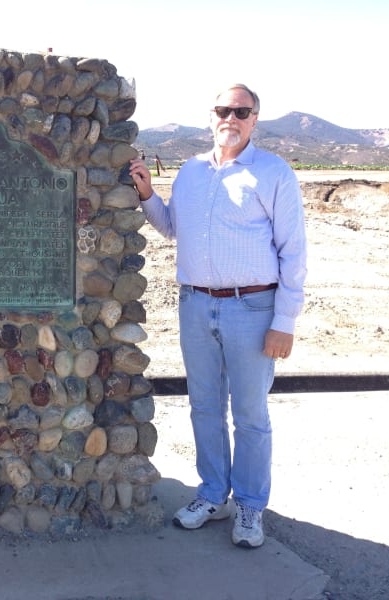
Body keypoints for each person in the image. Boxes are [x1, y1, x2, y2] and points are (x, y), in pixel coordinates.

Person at [129, 83, 307, 549]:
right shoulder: (189, 172)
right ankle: (212, 494)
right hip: (195, 303)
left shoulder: (273, 173)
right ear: (211, 117)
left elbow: (293, 252)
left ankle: (249, 505)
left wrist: (284, 322)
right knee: (205, 406)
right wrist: (148, 194)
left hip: (253, 307)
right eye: (223, 110)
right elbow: (171, 227)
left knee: (250, 414)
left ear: (254, 120)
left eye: (241, 111)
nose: (231, 117)